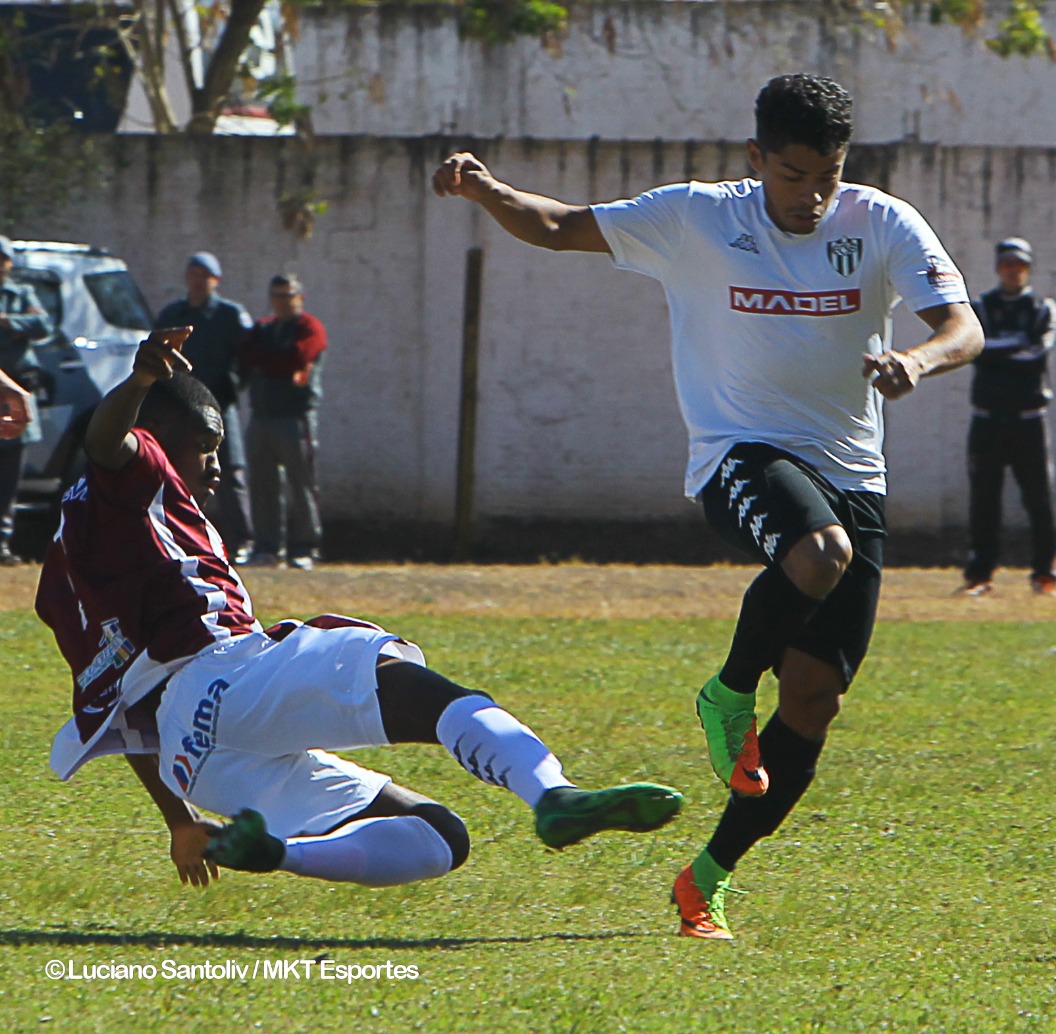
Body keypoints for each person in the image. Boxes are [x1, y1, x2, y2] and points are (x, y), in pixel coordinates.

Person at [431, 73, 983, 939]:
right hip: (740, 454)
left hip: (855, 476)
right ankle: (726, 695)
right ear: (758, 158)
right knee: (818, 554)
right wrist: (485, 188)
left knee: (811, 703)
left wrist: (917, 361)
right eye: (796, 175)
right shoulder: (698, 217)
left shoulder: (880, 221)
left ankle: (705, 881)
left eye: (830, 173)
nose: (815, 195)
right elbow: (557, 225)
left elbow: (965, 326)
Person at [36, 329, 683, 890]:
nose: (214, 470)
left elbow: (125, 707)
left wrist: (179, 819)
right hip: (224, 681)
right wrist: (143, 378)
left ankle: (274, 852)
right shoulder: (137, 466)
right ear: (158, 437)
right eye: (206, 448)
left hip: (195, 760)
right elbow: (107, 438)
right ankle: (552, 794)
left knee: (437, 834)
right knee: (398, 672)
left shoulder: (71, 565)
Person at [958, 237, 1056, 597]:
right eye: (1007, 265)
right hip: (987, 419)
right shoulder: (981, 309)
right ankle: (980, 575)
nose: (1013, 271)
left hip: (1029, 419)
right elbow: (975, 349)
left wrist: (998, 350)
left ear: (1028, 269)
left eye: (1019, 265)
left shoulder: (1042, 309)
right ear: (998, 267)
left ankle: (1045, 574)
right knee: (984, 500)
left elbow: (1037, 354)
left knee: (1039, 499)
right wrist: (1011, 346)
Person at [155, 252, 255, 563]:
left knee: (230, 474)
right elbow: (157, 353)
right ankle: (180, 539)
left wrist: (233, 385)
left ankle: (241, 542)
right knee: (177, 474)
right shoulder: (173, 314)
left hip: (220, 407)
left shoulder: (231, 315)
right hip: (181, 410)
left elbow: (250, 357)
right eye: (194, 273)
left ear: (217, 280)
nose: (198, 280)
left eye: (205, 274)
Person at [239, 274, 326, 570]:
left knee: (301, 483)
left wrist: (269, 361)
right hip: (262, 414)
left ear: (300, 298)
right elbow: (246, 353)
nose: (283, 302)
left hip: (294, 416)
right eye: (277, 295)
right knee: (263, 484)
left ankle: (305, 547)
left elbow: (299, 356)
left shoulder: (309, 328)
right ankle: (267, 546)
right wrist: (273, 360)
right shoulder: (263, 329)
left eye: (288, 296)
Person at [0, 234, 54, 564]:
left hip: (16, 391)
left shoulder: (21, 295)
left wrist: (8, 321)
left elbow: (43, 323)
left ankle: (2, 543)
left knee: (10, 477)